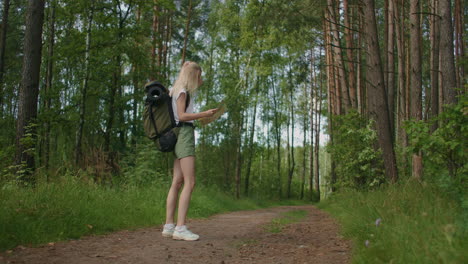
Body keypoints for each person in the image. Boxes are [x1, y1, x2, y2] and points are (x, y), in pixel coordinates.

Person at [162, 61, 217, 241]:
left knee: (177, 181)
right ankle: (180, 228)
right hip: (184, 133)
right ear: (193, 76)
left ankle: (169, 225)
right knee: (189, 182)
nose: (201, 79)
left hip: (177, 134)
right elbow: (183, 115)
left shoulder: (176, 89)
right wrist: (205, 114)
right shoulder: (183, 92)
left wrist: (189, 69)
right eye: (199, 75)